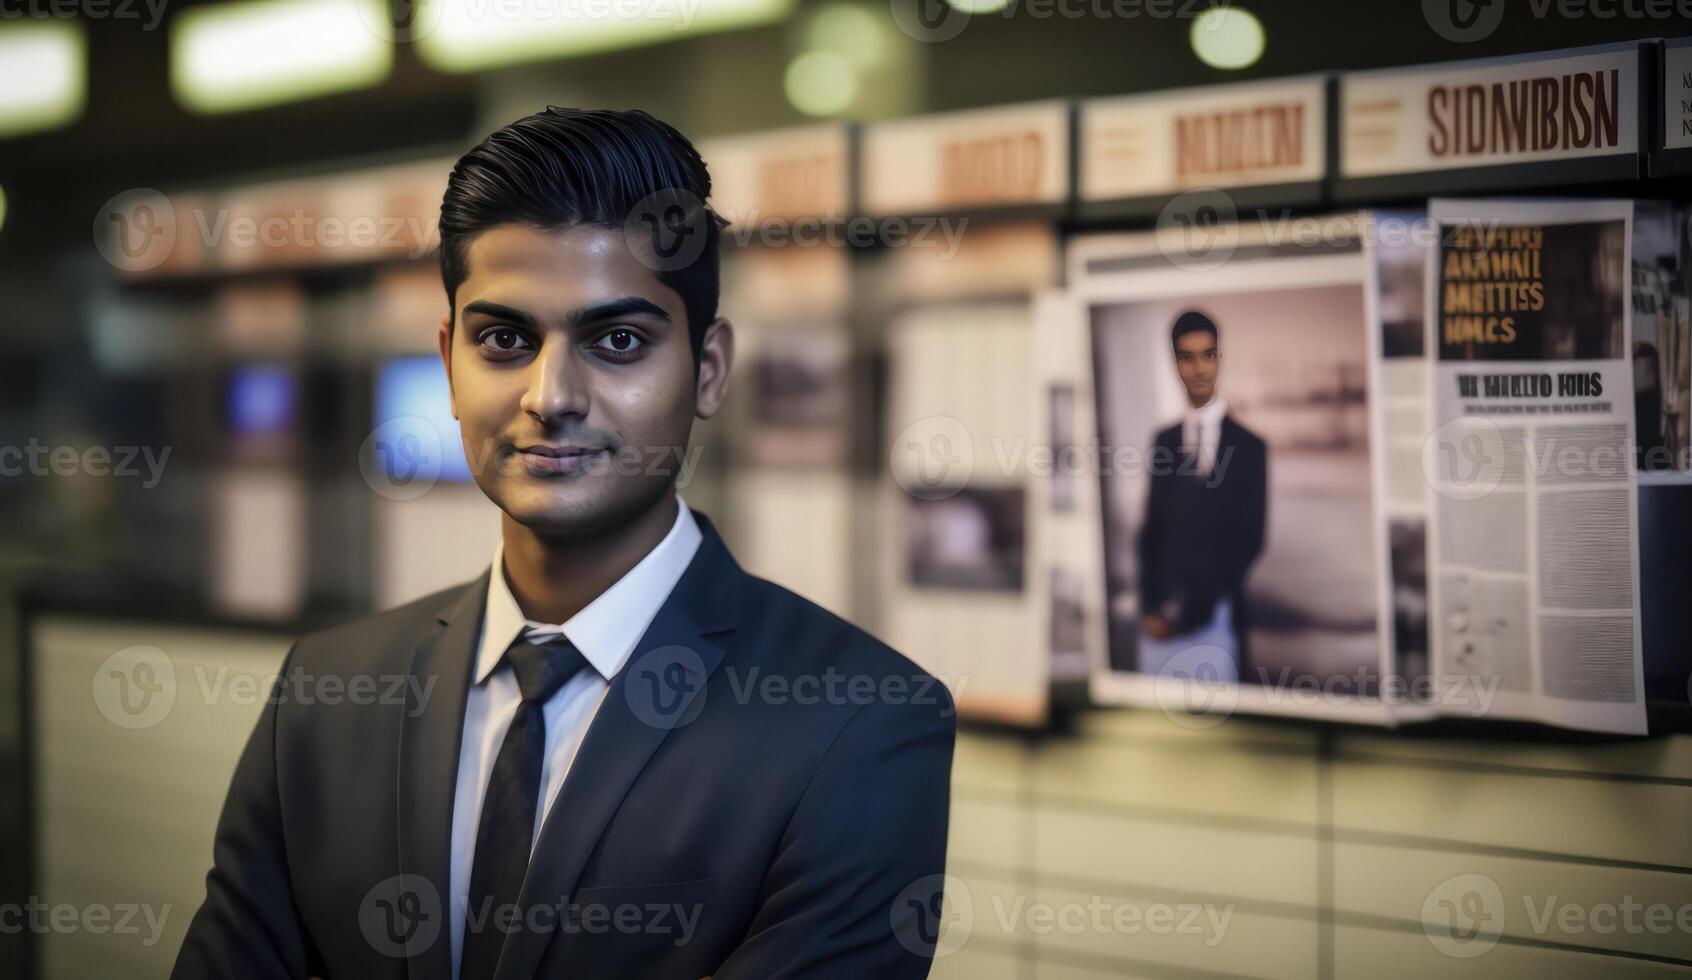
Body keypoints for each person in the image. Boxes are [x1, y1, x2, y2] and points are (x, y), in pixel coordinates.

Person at [172, 107, 956, 980]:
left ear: (708, 371)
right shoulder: (323, 696)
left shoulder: (859, 721)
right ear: (448, 363)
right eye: (504, 339)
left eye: (617, 341)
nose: (551, 395)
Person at [1136, 309, 1267, 683]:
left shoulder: (1250, 447)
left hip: (1217, 619)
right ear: (1174, 362)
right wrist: (1152, 608)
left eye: (1208, 355)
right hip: (1160, 625)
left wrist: (1185, 612)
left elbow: (1250, 541)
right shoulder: (1164, 441)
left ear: (1219, 358)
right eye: (1187, 357)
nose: (1199, 369)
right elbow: (1152, 531)